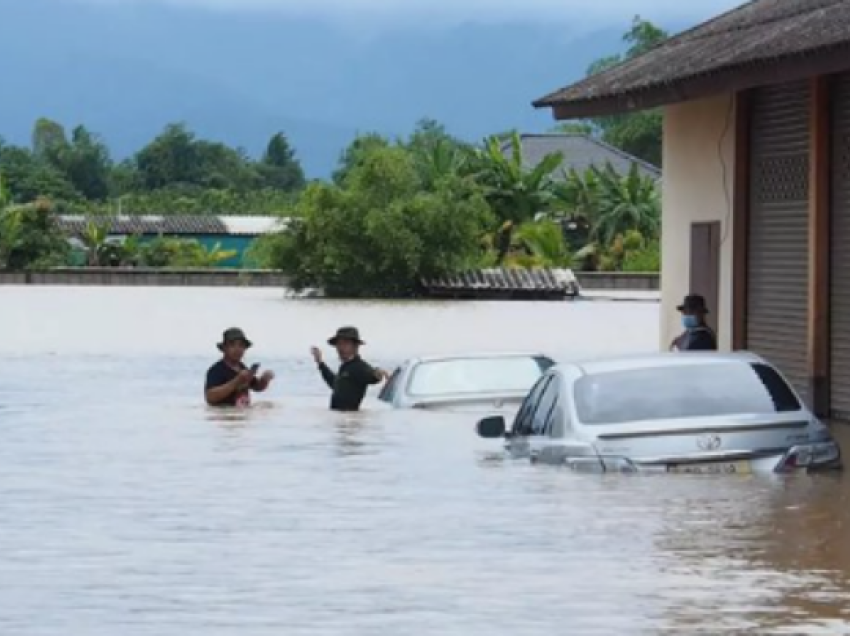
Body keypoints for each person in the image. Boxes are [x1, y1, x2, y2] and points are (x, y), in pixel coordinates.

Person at [311, 326, 388, 411]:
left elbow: (371, 376)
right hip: (341, 417)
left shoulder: (359, 366)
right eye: (339, 344)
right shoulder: (345, 367)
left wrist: (378, 372)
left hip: (350, 419)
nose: (340, 348)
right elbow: (334, 383)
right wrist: (320, 363)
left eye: (345, 344)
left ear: (356, 346)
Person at [205, 328, 274, 407]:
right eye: (232, 345)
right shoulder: (216, 370)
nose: (237, 349)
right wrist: (237, 381)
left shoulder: (242, 367)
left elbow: (256, 387)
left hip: (240, 413)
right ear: (224, 348)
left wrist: (265, 379)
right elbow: (210, 397)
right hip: (224, 414)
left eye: (241, 345)